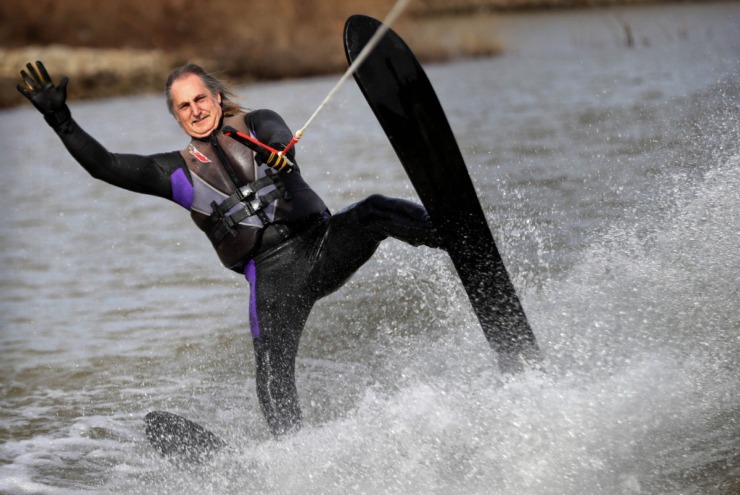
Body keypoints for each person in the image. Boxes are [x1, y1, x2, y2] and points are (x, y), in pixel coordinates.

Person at [17, 61, 442, 437]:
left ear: (216, 98)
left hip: (320, 245)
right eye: (184, 106)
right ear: (177, 116)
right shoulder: (173, 172)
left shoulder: (259, 123)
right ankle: (293, 460)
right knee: (272, 378)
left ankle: (451, 236)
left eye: (200, 98)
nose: (196, 110)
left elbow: (278, 136)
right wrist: (61, 120)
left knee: (374, 211)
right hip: (272, 282)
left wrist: (277, 152)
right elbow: (104, 166)